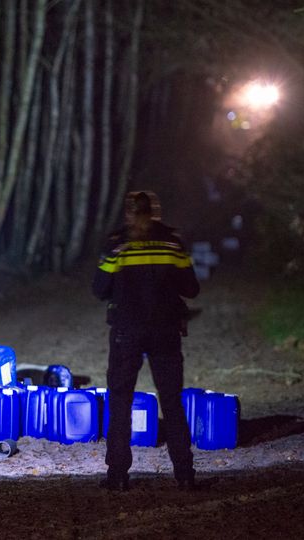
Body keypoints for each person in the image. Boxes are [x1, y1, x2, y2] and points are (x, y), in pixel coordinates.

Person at [92, 190, 200, 491]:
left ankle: (117, 475)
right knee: (172, 401)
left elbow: (99, 289)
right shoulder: (172, 243)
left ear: (128, 213)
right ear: (155, 212)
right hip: (165, 330)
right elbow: (191, 288)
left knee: (120, 400)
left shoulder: (117, 245)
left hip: (126, 332)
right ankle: (184, 473)